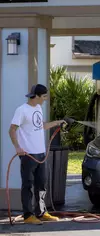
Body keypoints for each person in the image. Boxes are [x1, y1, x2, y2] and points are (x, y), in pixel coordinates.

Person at [8, 84, 66, 225]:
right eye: (44, 96)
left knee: (42, 184)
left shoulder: (38, 108)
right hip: (28, 155)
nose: (45, 99)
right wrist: (17, 147)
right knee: (28, 185)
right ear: (37, 96)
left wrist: (57, 123)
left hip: (41, 154)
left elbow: (41, 126)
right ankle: (28, 215)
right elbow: (12, 130)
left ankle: (41, 212)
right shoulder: (21, 110)